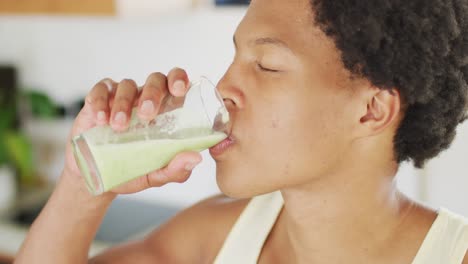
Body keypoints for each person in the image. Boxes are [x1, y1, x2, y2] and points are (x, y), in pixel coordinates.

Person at [15, 0, 468, 263]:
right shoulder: (218, 236)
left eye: (267, 65)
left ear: (371, 110)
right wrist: (83, 185)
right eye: (234, 57)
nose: (225, 87)